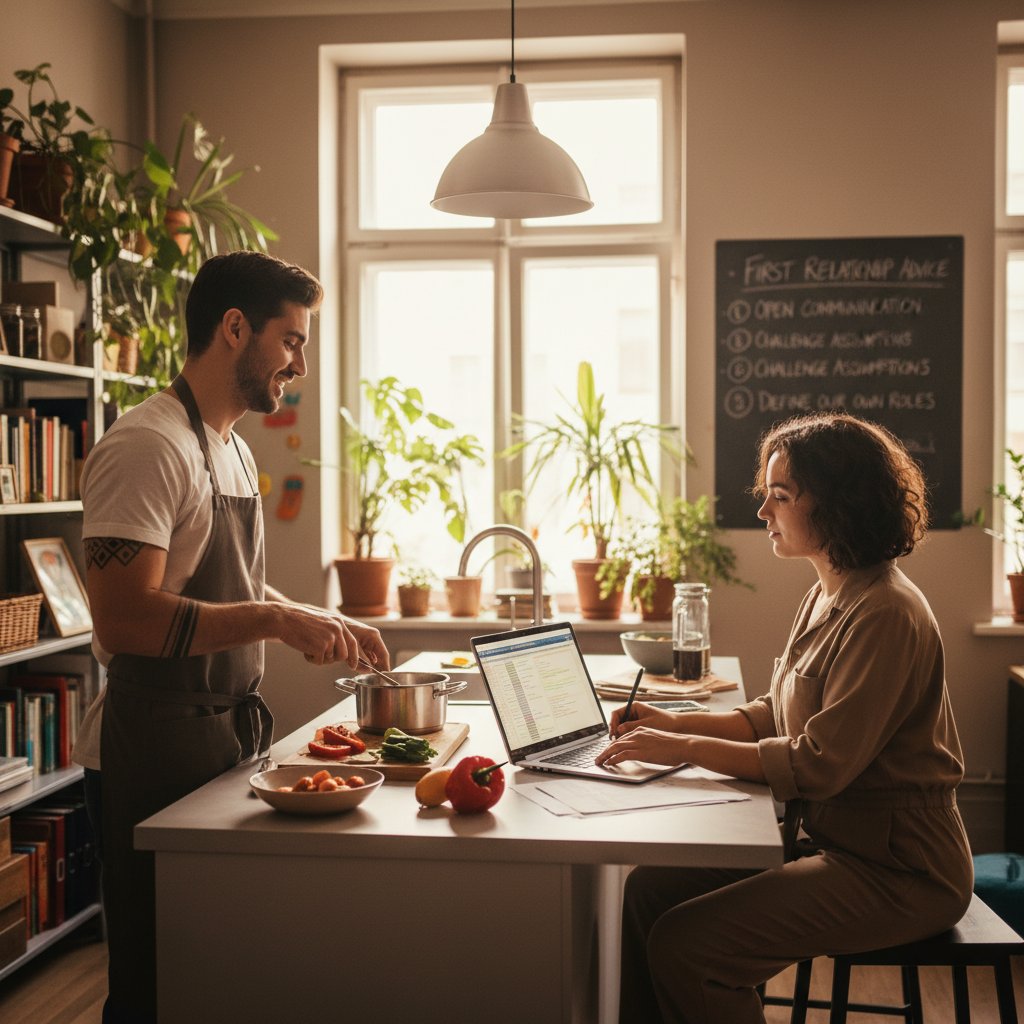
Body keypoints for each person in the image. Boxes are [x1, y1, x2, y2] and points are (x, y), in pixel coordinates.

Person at [72, 250, 390, 1024]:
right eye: (292, 340)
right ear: (235, 327)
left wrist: (313, 617)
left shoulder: (235, 449)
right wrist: (277, 620)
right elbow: (125, 618)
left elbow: (232, 592)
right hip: (148, 744)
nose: (300, 364)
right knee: (155, 981)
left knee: (215, 966)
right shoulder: (147, 445)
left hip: (221, 738)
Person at [596, 411, 973, 1024]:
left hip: (901, 870)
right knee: (647, 892)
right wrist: (671, 723)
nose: (764, 512)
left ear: (837, 503)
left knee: (689, 946)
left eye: (780, 496)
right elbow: (776, 713)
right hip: (830, 841)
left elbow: (817, 765)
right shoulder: (828, 589)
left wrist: (683, 749)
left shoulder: (886, 612)